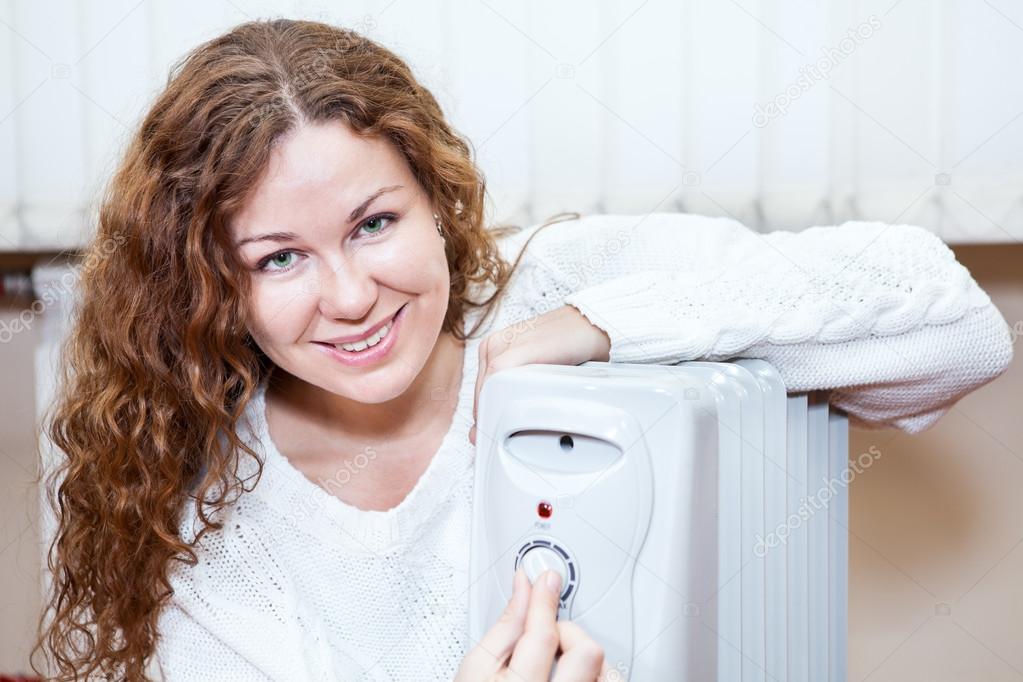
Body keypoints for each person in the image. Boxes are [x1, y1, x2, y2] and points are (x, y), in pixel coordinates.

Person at [32, 17, 1012, 682]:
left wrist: (605, 328)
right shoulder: (217, 517)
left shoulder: (562, 288)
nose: (350, 294)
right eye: (281, 256)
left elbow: (957, 329)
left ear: (436, 195)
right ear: (212, 283)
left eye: (375, 223)